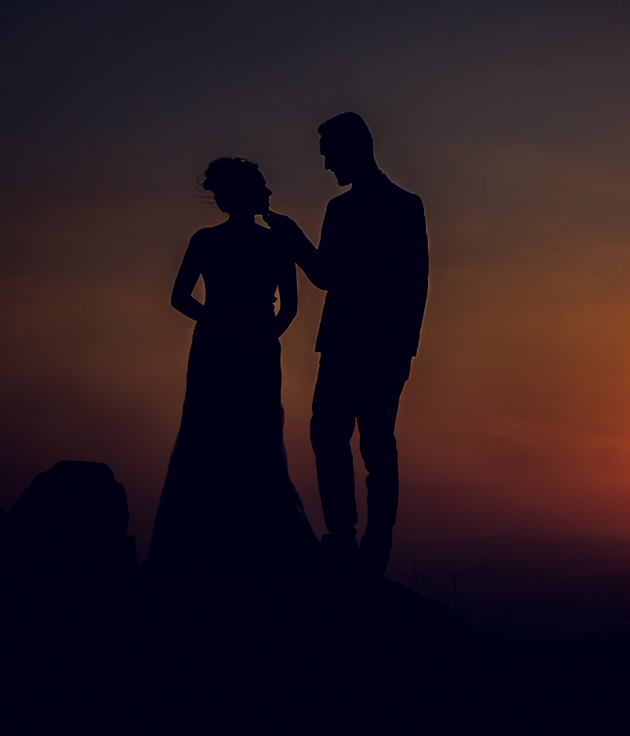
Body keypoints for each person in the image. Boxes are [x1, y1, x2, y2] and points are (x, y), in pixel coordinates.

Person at [264, 113, 429, 576]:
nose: (325, 166)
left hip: (382, 348)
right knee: (327, 435)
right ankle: (342, 537)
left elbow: (417, 283)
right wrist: (293, 238)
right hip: (340, 344)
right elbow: (325, 276)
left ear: (354, 148)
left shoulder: (405, 206)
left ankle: (375, 546)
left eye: (329, 155)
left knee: (375, 445)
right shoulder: (338, 210)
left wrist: (404, 349)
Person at [149, 158, 319, 572]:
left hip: (259, 352)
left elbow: (292, 307)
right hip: (215, 350)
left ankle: (255, 541)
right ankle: (207, 543)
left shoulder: (277, 241)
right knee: (208, 431)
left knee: (257, 435)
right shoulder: (204, 241)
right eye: (259, 187)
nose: (267, 193)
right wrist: (223, 323)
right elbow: (180, 296)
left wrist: (263, 336)